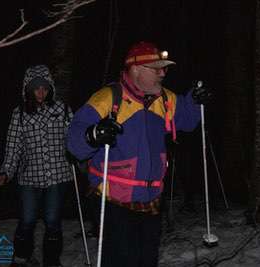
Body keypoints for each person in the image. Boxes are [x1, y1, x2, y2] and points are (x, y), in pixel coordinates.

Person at [66, 41, 210, 267]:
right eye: (156, 69)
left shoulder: (164, 99)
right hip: (114, 203)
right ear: (135, 69)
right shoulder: (109, 98)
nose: (163, 73)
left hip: (151, 202)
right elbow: (74, 141)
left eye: (164, 68)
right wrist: (93, 135)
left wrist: (195, 100)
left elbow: (188, 119)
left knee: (147, 260)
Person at [0, 65, 73, 267]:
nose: (41, 92)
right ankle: (22, 257)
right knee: (28, 219)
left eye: (45, 88)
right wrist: (6, 171)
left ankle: (52, 261)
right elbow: (13, 148)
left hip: (58, 175)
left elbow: (74, 139)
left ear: (50, 89)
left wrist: (83, 160)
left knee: (52, 221)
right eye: (36, 88)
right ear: (28, 89)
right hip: (30, 177)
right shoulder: (19, 114)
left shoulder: (62, 109)